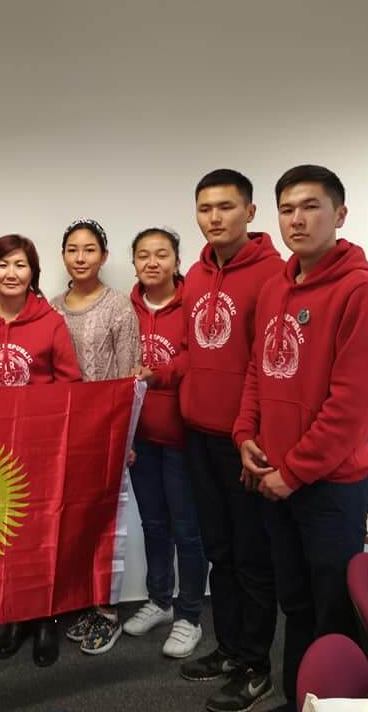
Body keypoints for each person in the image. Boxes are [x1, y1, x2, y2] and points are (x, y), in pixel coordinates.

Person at [234, 165, 368, 712]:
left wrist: (294, 472)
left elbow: (351, 409)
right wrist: (245, 434)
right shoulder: (276, 286)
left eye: (311, 207)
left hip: (329, 488)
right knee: (296, 604)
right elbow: (257, 371)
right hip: (276, 481)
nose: (297, 220)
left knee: (333, 612)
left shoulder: (362, 293)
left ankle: (336, 703)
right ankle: (299, 699)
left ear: (340, 214)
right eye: (287, 209)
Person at [179, 169, 282, 712]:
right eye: (205, 208)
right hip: (198, 434)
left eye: (225, 207)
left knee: (251, 558)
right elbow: (194, 352)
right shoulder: (195, 274)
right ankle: (229, 649)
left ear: (250, 212)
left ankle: (256, 666)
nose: (214, 218)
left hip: (243, 442)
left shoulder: (273, 274)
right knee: (218, 552)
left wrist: (252, 435)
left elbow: (269, 367)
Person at [0, 234, 81, 666]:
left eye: (20, 265)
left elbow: (70, 384)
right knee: (5, 532)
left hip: (41, 445)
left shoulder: (50, 322)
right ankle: (15, 615)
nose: (11, 273)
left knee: (42, 533)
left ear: (33, 273)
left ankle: (46, 618)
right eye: (2, 265)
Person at [50, 218, 140, 655]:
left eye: (89, 250)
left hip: (106, 432)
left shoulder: (119, 306)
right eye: (73, 249)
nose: (80, 257)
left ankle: (108, 611)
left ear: (104, 256)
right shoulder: (51, 307)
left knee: (108, 523)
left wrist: (127, 436)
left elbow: (129, 378)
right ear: (63, 256)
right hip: (64, 435)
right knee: (73, 523)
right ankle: (85, 602)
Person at [124, 227, 208, 660]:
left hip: (182, 437)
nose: (152, 262)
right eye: (143, 255)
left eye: (161, 254)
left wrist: (161, 373)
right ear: (133, 262)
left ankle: (189, 615)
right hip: (141, 439)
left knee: (187, 530)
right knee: (153, 525)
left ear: (177, 260)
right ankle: (160, 600)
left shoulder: (194, 302)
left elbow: (199, 354)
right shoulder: (126, 307)